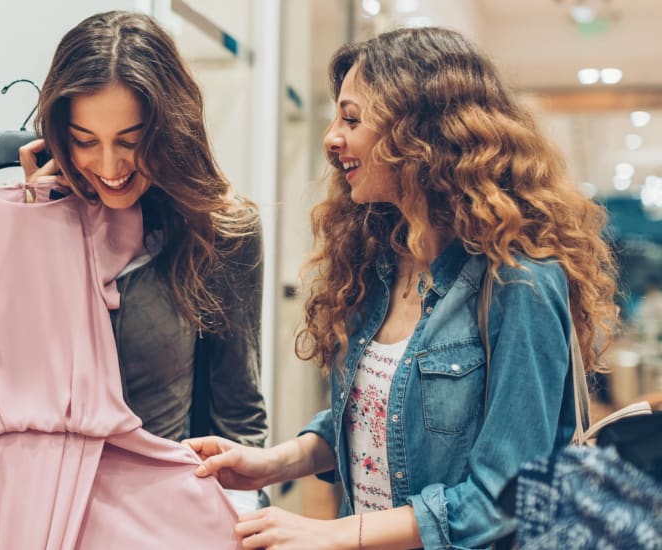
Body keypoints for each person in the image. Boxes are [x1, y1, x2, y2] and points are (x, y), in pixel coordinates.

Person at [184, 26, 619, 549]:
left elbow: (502, 500)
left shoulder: (519, 282)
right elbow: (380, 412)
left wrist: (332, 532)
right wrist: (273, 463)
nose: (331, 138)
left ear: (422, 133)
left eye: (352, 118)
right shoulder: (379, 260)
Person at [0, 10, 268, 548]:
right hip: (9, 515)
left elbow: (238, 414)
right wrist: (33, 229)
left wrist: (234, 521)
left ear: (170, 127)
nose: (109, 165)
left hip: (148, 525)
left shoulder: (221, 232)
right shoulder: (26, 216)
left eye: (132, 140)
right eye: (84, 140)